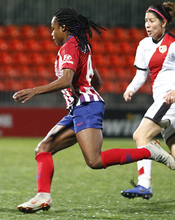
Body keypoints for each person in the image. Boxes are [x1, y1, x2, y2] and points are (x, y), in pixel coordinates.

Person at [12, 7, 175, 213]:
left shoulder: (70, 46)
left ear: (63, 27)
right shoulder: (81, 44)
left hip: (86, 107)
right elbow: (97, 80)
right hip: (82, 106)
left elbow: (66, 80)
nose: (51, 33)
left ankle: (150, 151)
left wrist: (34, 91)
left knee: (94, 161)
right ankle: (43, 197)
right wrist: (84, 97)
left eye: (53, 29)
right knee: (43, 149)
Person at [121, 2, 175, 200]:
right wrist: (131, 88)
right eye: (146, 21)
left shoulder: (173, 44)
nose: (148, 25)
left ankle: (144, 185)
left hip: (169, 101)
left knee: (140, 136)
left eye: (152, 21)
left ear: (163, 23)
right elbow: (141, 75)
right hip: (164, 103)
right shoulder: (144, 45)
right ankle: (157, 153)